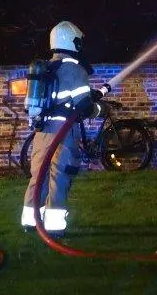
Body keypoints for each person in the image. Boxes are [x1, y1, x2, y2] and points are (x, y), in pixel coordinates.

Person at [20, 20, 110, 234]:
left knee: (38, 175)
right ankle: (54, 225)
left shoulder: (47, 68)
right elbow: (85, 107)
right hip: (63, 133)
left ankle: (30, 221)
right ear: (73, 42)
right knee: (60, 175)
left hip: (41, 132)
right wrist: (101, 109)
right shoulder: (75, 70)